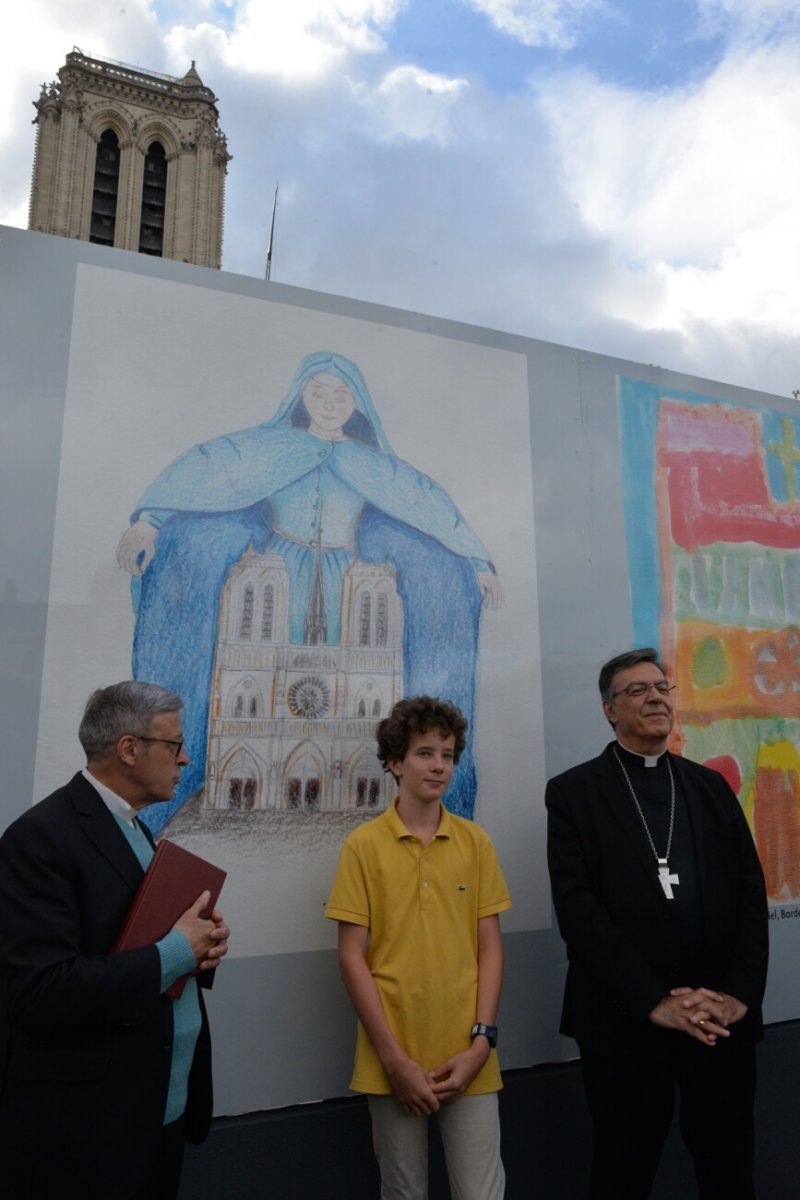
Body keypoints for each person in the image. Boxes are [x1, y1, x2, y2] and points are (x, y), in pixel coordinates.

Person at [116, 351, 502, 832]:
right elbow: (208, 472)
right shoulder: (262, 449)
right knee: (260, 665)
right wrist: (150, 522)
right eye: (318, 392)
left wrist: (477, 564)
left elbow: (427, 505)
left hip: (346, 582)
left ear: (357, 404)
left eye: (340, 395)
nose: (328, 403)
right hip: (280, 575)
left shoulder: (377, 465)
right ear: (300, 396)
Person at [546, 648, 769, 1200]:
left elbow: (749, 896)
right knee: (623, 1176)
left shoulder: (710, 788)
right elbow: (579, 913)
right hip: (626, 1023)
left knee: (730, 1171)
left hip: (716, 1020)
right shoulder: (575, 792)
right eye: (637, 690)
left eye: (662, 687)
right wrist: (654, 1001)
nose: (656, 697)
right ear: (609, 710)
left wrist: (738, 995)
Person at [0, 682, 230, 1200]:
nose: (186, 758)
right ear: (129, 749)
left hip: (154, 1112)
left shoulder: (133, 828)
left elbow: (134, 946)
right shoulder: (39, 839)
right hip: (90, 1131)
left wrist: (202, 951)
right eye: (174, 746)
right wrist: (176, 951)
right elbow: (41, 990)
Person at [325, 696, 511, 1199]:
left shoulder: (475, 843)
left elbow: (490, 949)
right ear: (394, 762)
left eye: (448, 755)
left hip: (469, 1056)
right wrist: (394, 1060)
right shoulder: (362, 847)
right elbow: (351, 958)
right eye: (425, 753)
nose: (439, 766)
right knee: (404, 1191)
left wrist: (481, 1042)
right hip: (393, 1060)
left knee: (482, 1193)